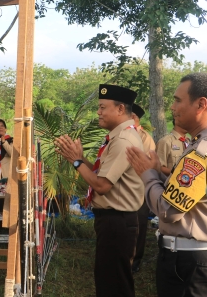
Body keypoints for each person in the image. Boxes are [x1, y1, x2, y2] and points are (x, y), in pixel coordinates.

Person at [125, 72, 207, 297]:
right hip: (198, 259)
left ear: (201, 104)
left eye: (178, 100)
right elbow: (188, 196)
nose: (172, 107)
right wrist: (158, 173)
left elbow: (168, 210)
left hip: (193, 263)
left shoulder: (203, 152)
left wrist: (148, 174)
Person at [55, 84, 143, 297]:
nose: (98, 112)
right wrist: (80, 158)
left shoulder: (123, 140)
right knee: (111, 280)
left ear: (120, 109)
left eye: (103, 107)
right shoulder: (120, 136)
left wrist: (76, 162)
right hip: (115, 221)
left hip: (117, 221)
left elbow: (102, 186)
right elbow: (99, 174)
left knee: (113, 284)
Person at [131, 103, 155, 273]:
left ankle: (135, 260)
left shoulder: (145, 137)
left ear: (134, 118)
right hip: (123, 189)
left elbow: (143, 163)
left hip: (139, 188)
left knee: (138, 226)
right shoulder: (116, 135)